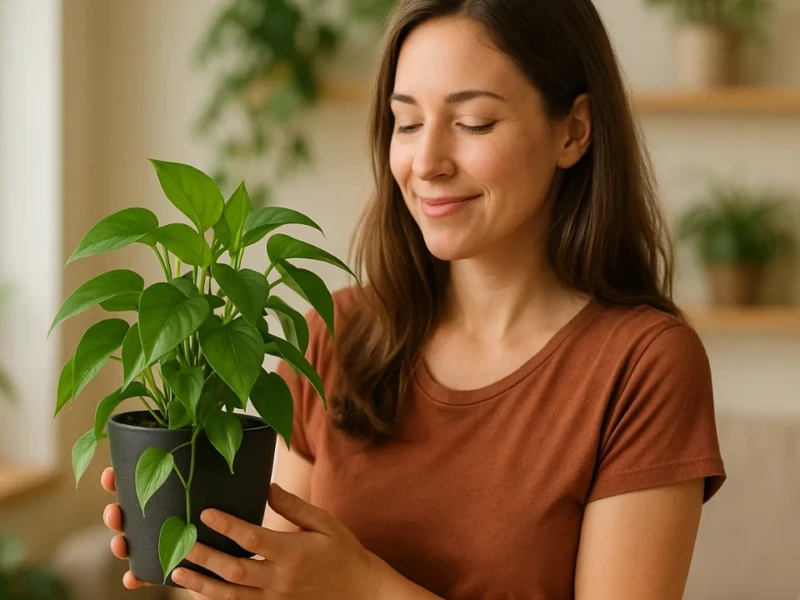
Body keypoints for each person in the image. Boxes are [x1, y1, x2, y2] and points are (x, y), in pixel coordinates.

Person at [100, 0, 727, 597]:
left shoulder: (644, 367)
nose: (427, 162)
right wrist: (200, 561)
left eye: (473, 122)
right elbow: (270, 581)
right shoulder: (335, 334)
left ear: (574, 131)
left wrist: (364, 589)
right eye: (407, 123)